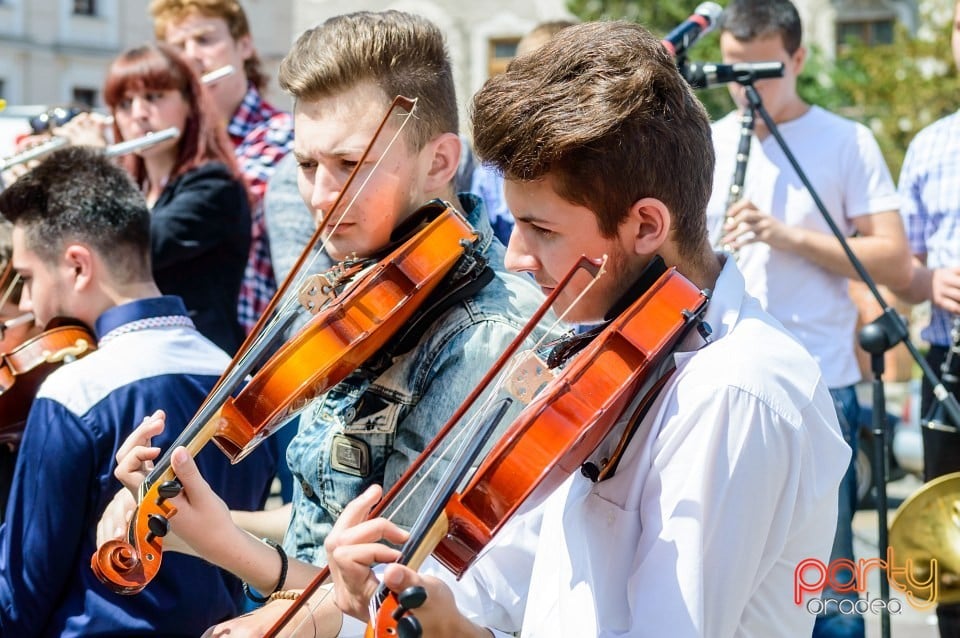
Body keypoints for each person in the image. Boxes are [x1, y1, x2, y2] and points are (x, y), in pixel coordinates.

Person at [281, 19, 849, 637]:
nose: (516, 257)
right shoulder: (607, 346)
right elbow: (492, 595)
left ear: (646, 226)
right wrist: (385, 592)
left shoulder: (733, 390)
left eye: (542, 229)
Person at [99, 10, 550, 634]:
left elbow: (394, 589)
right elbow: (322, 524)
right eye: (307, 166)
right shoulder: (360, 290)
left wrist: (232, 556)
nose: (319, 196)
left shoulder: (487, 331)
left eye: (350, 165)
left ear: (441, 160)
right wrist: (192, 526)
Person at [0, 145, 277, 637]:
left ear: (78, 266)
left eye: (26, 277)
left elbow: (20, 593)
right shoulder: (237, 376)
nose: (24, 301)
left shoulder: (73, 391)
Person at [706, 1, 911, 635]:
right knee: (735, 572)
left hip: (822, 384)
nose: (747, 90)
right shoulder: (706, 142)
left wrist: (787, 237)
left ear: (798, 59)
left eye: (763, 71)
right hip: (722, 382)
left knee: (828, 574)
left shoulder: (845, 139)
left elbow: (895, 260)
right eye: (734, 71)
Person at [150, 0, 295, 333]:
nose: (191, 57)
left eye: (204, 40)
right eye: (178, 47)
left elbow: (223, 204)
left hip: (252, 346)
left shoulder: (278, 135)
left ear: (244, 45)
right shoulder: (172, 145)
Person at [100, 42, 252, 355]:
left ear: (189, 103)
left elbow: (133, 248)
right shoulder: (135, 191)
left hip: (200, 364)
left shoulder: (214, 185)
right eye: (125, 103)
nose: (139, 114)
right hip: (140, 355)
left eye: (154, 97)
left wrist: (93, 172)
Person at [891, 2, 960, 634]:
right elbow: (904, 267)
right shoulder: (931, 144)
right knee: (952, 544)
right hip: (947, 366)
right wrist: (930, 281)